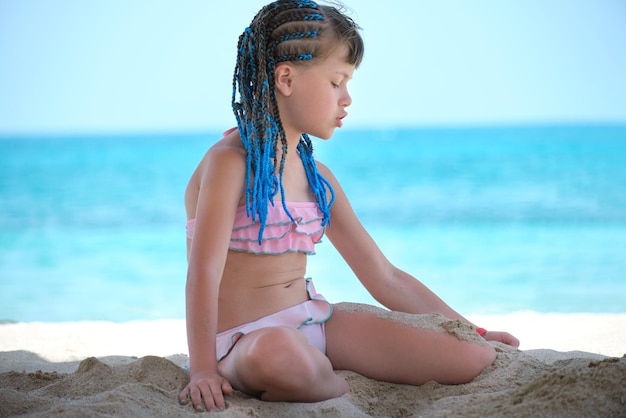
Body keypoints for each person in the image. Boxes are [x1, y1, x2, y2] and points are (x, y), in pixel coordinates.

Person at [179, 0, 520, 412]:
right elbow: (203, 272)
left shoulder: (317, 177)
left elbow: (385, 277)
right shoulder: (229, 163)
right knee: (281, 354)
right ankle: (334, 387)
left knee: (470, 358)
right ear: (286, 78)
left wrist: (475, 331)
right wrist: (201, 371)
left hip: (313, 322)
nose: (347, 99)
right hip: (242, 344)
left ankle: (321, 368)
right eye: (336, 82)